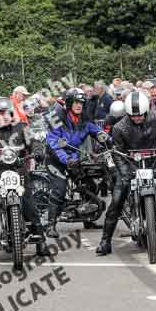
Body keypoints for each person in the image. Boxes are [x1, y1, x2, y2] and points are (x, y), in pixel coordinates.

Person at [97, 91, 156, 255]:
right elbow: (116, 152)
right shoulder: (119, 127)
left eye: (140, 115)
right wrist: (124, 172)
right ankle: (105, 241)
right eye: (133, 116)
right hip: (130, 166)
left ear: (146, 111)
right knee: (117, 200)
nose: (137, 118)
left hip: (154, 164)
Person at [0, 97, 44, 262]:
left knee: (29, 204)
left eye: (7, 113)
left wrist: (38, 150)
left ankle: (41, 242)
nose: (4, 116)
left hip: (18, 172)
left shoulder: (21, 127)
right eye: (0, 113)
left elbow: (34, 142)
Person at [44, 89, 108, 238]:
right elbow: (54, 144)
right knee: (59, 190)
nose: (79, 105)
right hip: (55, 160)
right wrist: (67, 159)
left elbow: (98, 132)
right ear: (69, 104)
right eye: (76, 102)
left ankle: (88, 218)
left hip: (74, 158)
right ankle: (50, 225)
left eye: (81, 103)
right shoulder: (57, 119)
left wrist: (110, 141)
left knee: (91, 186)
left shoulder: (84, 121)